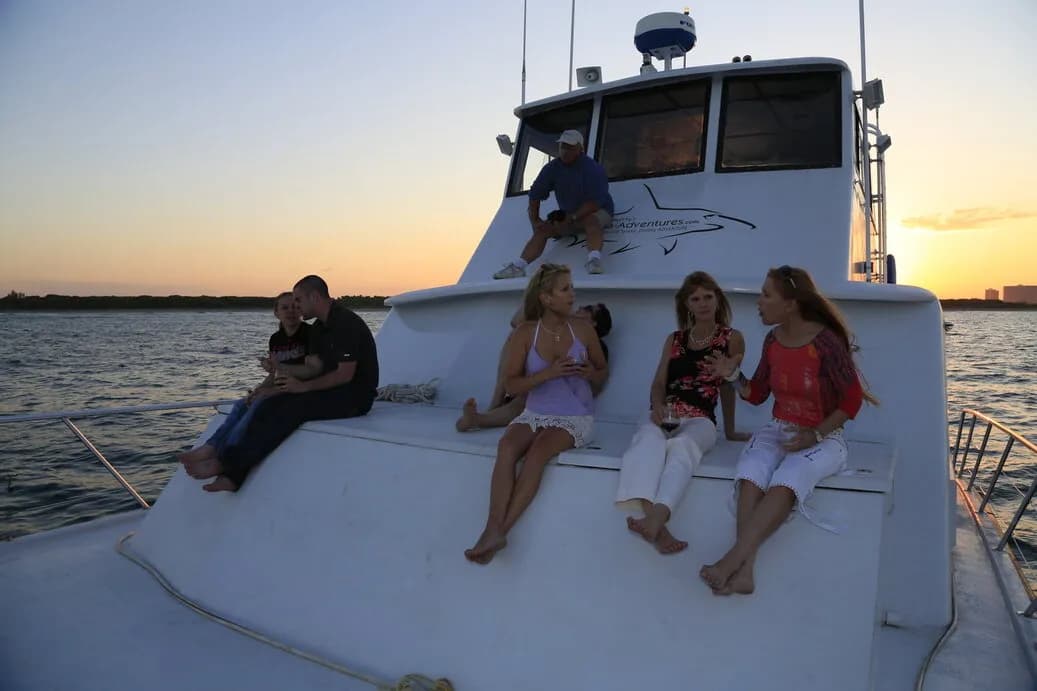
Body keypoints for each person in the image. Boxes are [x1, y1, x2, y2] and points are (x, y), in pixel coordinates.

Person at [699, 266, 877, 595]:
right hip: (780, 428)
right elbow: (758, 394)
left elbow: (851, 401)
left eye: (767, 295)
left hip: (825, 437)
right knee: (751, 471)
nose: (759, 302)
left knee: (789, 477)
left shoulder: (825, 342)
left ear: (791, 303)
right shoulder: (772, 340)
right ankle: (745, 573)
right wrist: (732, 375)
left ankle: (730, 562)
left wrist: (815, 434)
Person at [465, 264, 608, 564]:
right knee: (506, 446)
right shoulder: (526, 333)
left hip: (574, 416)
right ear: (546, 298)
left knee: (538, 452)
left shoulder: (583, 329)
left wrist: (588, 372)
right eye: (565, 289)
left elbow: (602, 372)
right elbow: (511, 383)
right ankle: (492, 527)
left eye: (571, 287)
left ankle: (500, 530)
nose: (573, 294)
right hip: (535, 411)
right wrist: (549, 373)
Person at [183, 275, 379, 492]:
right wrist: (277, 380)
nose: (296, 307)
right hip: (331, 390)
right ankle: (232, 476)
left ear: (314, 297)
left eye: (298, 300)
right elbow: (315, 368)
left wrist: (302, 387)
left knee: (291, 410)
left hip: (354, 397)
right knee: (270, 403)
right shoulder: (319, 328)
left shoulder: (345, 323)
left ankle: (226, 464)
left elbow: (345, 375)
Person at [615, 272, 747, 555]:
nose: (703, 303)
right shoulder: (674, 339)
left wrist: (731, 430)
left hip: (701, 418)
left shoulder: (732, 338)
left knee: (683, 447)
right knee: (646, 443)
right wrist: (658, 406)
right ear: (686, 304)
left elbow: (729, 383)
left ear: (718, 299)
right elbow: (659, 383)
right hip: (667, 411)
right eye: (695, 298)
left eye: (708, 297)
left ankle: (655, 519)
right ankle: (658, 528)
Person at [178, 292, 310, 470]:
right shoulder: (276, 339)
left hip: (300, 390)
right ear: (276, 312)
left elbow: (312, 373)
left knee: (256, 407)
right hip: (279, 388)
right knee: (242, 404)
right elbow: (274, 373)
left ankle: (225, 456)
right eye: (285, 307)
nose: (291, 311)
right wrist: (257, 390)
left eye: (295, 306)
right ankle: (210, 447)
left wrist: (269, 392)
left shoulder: (310, 334)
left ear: (301, 309)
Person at [455, 302, 612, 432]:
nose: (581, 307)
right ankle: (495, 402)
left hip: (562, 392)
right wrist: (538, 295)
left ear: (593, 323)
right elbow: (516, 322)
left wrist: (588, 374)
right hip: (540, 380)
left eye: (588, 309)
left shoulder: (595, 346)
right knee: (516, 336)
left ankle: (479, 419)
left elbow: (597, 382)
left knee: (528, 399)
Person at [493, 130, 615, 279]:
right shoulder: (551, 169)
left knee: (592, 221)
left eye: (569, 147)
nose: (564, 151)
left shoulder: (593, 169)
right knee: (542, 230)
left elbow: (596, 202)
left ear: (580, 149)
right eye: (562, 146)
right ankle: (519, 266)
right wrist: (535, 220)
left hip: (598, 210)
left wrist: (572, 217)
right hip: (569, 214)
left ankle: (594, 260)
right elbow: (535, 194)